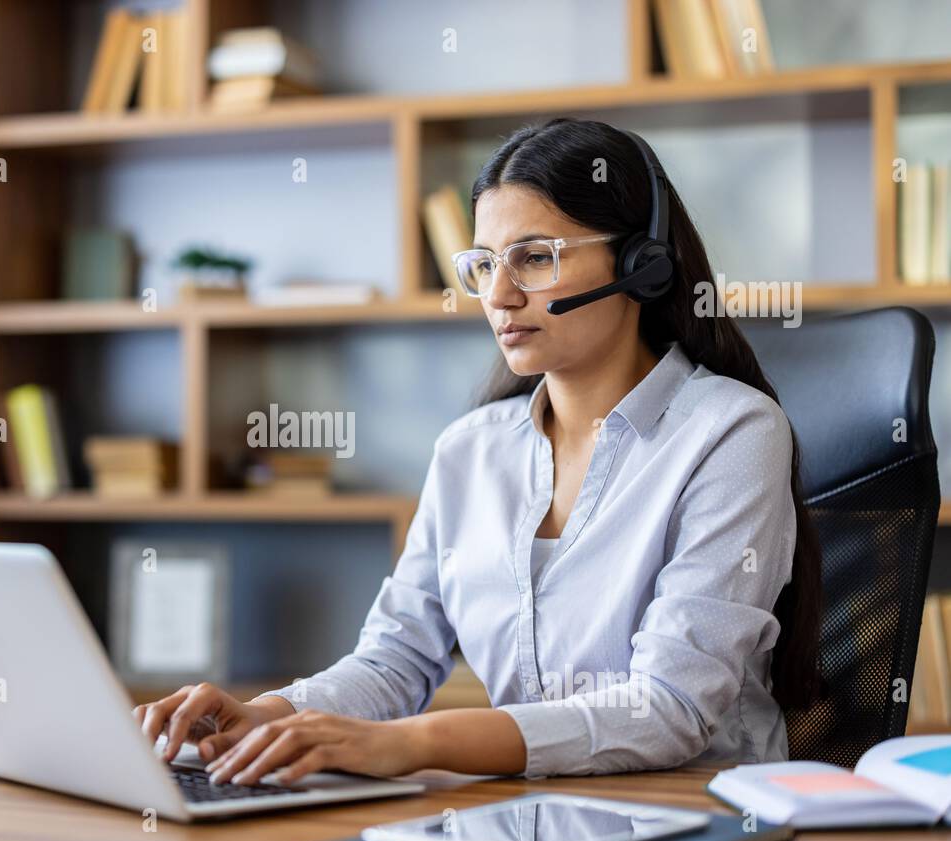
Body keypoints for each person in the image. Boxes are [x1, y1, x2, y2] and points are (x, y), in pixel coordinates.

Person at [133, 117, 822, 787]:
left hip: (699, 816)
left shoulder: (732, 432)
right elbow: (395, 660)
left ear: (640, 266)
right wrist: (264, 715)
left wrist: (413, 743)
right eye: (484, 263)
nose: (498, 294)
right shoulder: (469, 449)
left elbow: (669, 707)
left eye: (533, 257)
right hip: (531, 814)